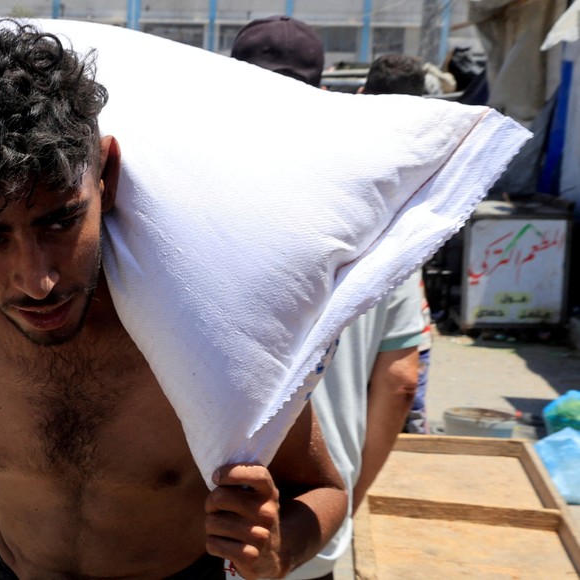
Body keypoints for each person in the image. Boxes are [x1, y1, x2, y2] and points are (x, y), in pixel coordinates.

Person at [0, 20, 347, 579]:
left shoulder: (202, 313)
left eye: (61, 221)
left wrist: (280, 547)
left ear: (105, 172)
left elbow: (323, 489)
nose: (37, 281)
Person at [231, 18, 423, 580]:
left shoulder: (188, 206)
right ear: (321, 95)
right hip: (306, 525)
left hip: (202, 521)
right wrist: (342, 502)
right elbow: (401, 379)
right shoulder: (386, 216)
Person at [360, 54, 433, 434]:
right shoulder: (434, 147)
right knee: (400, 421)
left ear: (361, 93)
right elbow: (402, 383)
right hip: (405, 310)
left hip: (348, 320)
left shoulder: (344, 143)